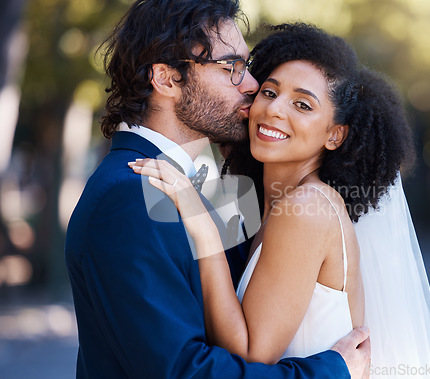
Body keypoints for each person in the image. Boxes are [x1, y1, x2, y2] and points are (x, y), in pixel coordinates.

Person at [65, 1, 369, 378]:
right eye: (232, 68)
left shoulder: (205, 188)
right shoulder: (129, 197)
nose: (253, 85)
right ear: (167, 79)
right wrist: (332, 371)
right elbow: (185, 371)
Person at [131, 23, 430, 378]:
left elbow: (251, 354)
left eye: (302, 104)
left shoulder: (305, 209)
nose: (274, 110)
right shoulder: (273, 204)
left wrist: (204, 230)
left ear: (334, 135)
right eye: (269, 93)